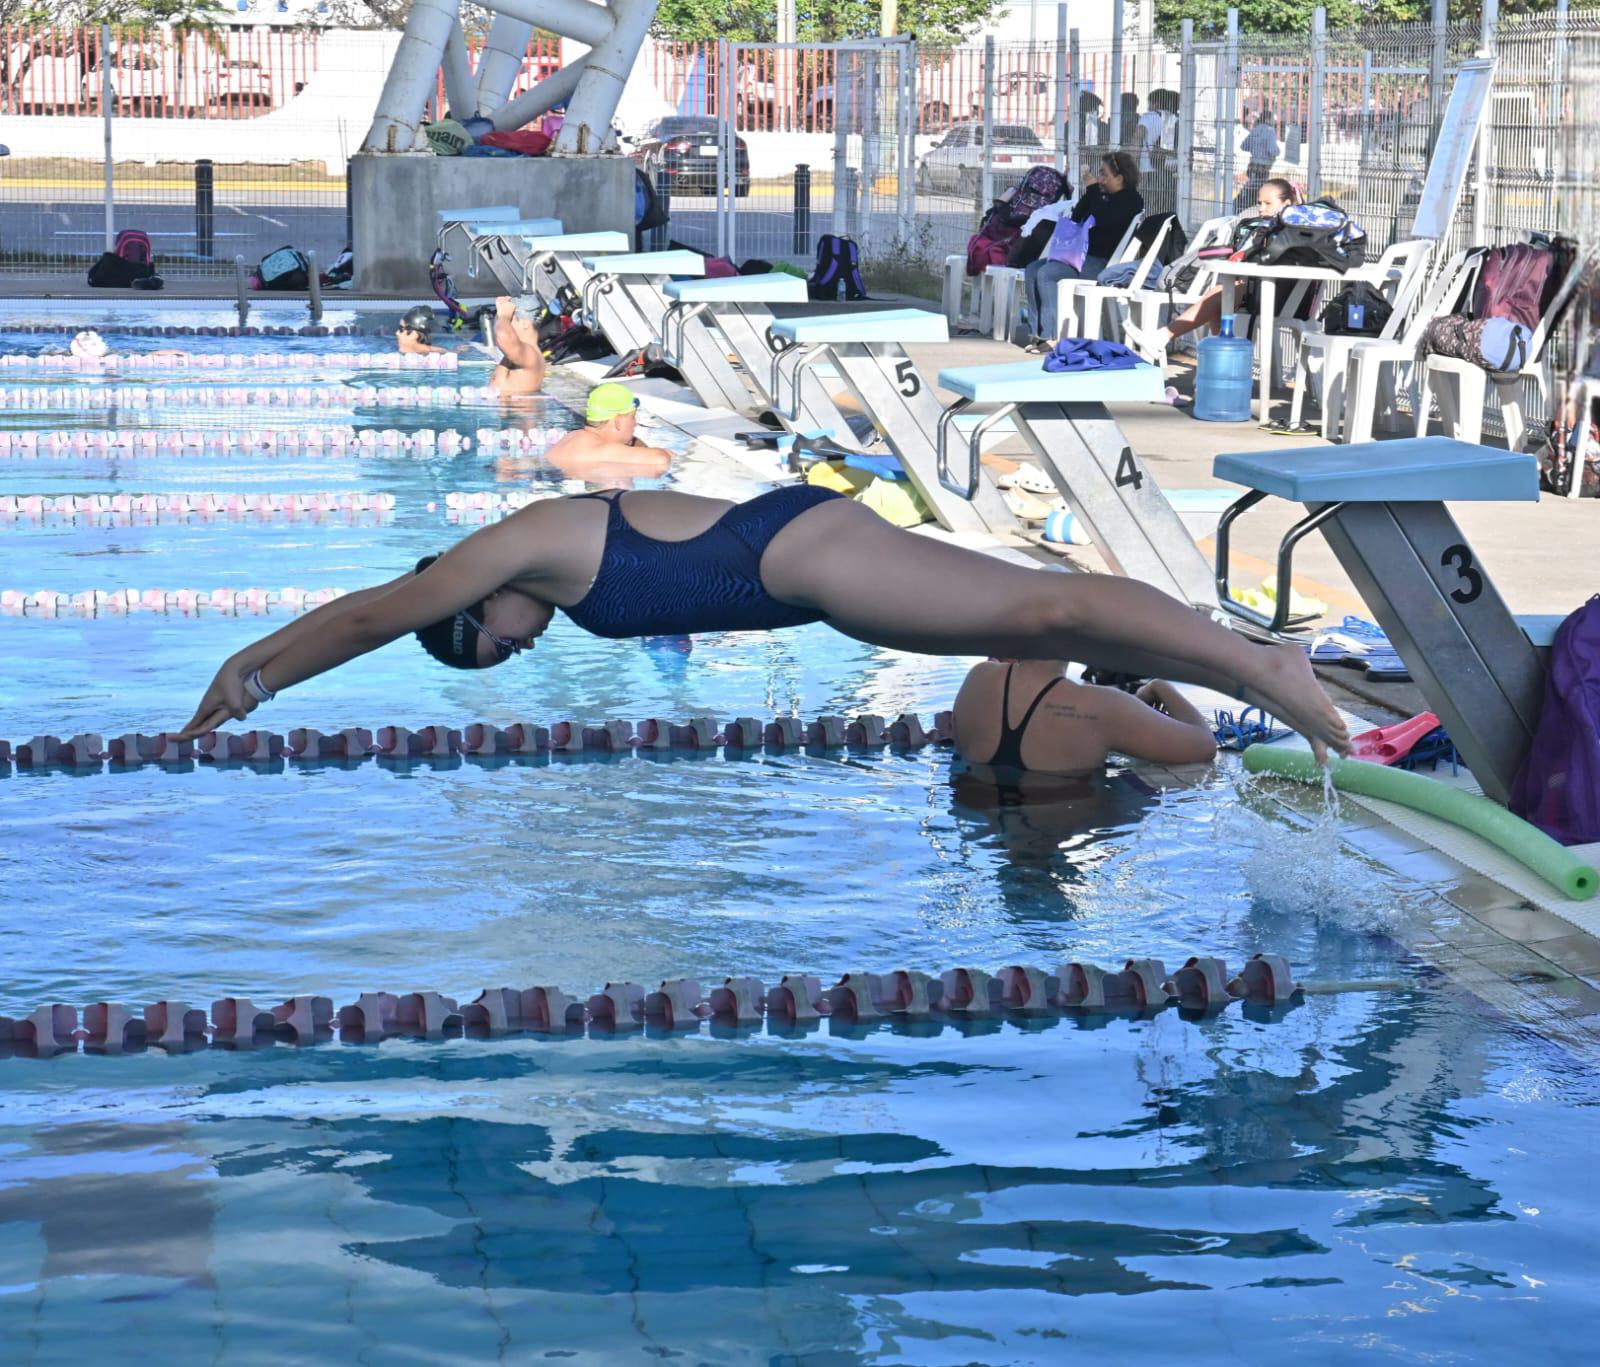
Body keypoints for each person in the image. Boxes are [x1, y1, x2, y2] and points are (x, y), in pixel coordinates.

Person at [174, 473, 1350, 761]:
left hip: (800, 553)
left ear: (474, 601)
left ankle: (1264, 657)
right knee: (1048, 631)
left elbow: (377, 612)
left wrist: (257, 671)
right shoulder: (540, 572)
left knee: (1042, 601)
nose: (507, 649)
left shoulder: (516, 541)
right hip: (807, 585)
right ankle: (1256, 678)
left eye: (482, 643)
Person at [1123, 177, 1300, 365]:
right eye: (1259, 203)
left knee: (1222, 294)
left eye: (1267, 203)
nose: (1261, 208)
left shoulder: (1292, 229)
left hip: (1283, 297)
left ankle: (1164, 337)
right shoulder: (1262, 227)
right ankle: (1220, 365)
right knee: (1220, 297)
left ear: (1286, 204)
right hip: (1258, 290)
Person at [953, 659, 1217, 782]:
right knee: (1199, 773)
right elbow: (1203, 746)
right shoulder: (1099, 706)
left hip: (986, 828)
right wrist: (1161, 687)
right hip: (1062, 824)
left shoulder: (979, 677)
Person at [1023, 151, 1144, 349]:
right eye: (1100, 174)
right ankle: (1037, 333)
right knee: (1032, 269)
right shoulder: (1102, 196)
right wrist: (1091, 192)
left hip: (1101, 264)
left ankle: (1053, 337)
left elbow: (1104, 220)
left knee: (1047, 273)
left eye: (1105, 174)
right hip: (1079, 258)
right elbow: (1078, 216)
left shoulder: (1130, 200)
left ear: (1120, 178)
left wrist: (1094, 190)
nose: (1101, 179)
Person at [540, 382, 673, 482]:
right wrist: (661, 452)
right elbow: (659, 460)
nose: (635, 424)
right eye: (632, 417)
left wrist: (634, 444)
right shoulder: (600, 450)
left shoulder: (573, 437)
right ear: (618, 421)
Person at [487, 295, 547, 398]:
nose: (508, 324)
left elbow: (502, 336)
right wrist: (501, 313)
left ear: (525, 324)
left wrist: (504, 316)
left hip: (514, 413)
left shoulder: (531, 355)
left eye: (511, 320)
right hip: (509, 410)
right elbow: (501, 335)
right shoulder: (522, 351)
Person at [1235, 107, 1280, 211]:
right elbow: (1272, 150)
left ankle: (1241, 205)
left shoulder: (1255, 130)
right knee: (1259, 190)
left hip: (1253, 164)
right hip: (1263, 166)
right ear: (1269, 119)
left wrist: (1256, 148)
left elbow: (1244, 146)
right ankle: (1248, 208)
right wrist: (1278, 151)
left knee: (1251, 187)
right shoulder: (1270, 131)